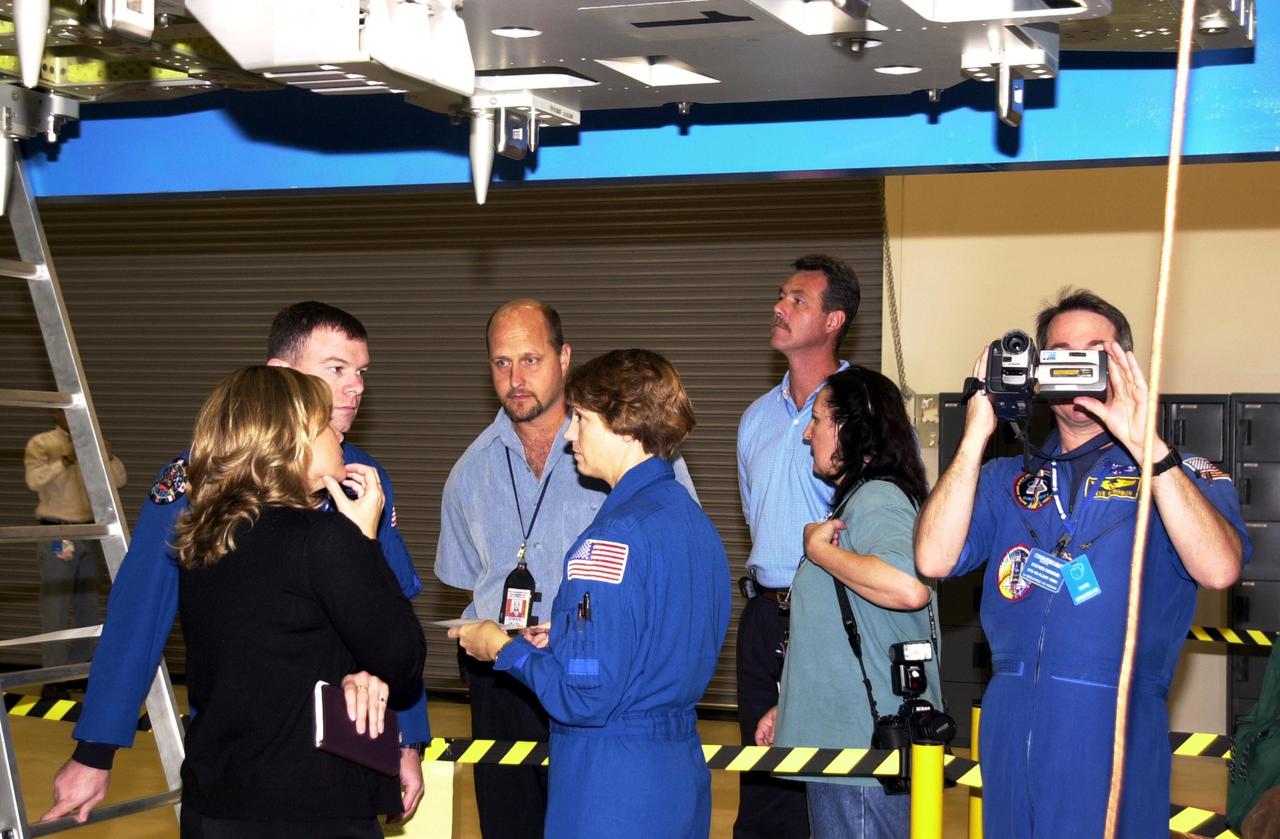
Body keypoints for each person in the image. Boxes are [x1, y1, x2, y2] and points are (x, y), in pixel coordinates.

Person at [43, 301, 431, 824]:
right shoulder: (197, 480)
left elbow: (386, 614)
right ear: (281, 378)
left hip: (340, 759)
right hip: (238, 755)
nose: (355, 387)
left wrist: (407, 740)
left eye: (361, 373)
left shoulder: (362, 475)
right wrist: (96, 749)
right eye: (336, 369)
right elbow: (140, 616)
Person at [914, 289, 1250, 837]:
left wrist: (1151, 451)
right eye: (1060, 351)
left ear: (1125, 365)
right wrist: (977, 433)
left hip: (1111, 723)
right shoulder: (1005, 477)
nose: (1076, 363)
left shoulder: (1176, 473)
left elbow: (1219, 569)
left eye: (1095, 350)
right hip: (1009, 719)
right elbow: (932, 556)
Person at [434, 300, 697, 839]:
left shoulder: (626, 459)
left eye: (530, 359)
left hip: (592, 675)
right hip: (501, 679)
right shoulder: (468, 472)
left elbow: (674, 559)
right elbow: (463, 578)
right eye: (501, 363)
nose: (516, 378)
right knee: (509, 825)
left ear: (565, 358)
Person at [173, 366, 425, 837]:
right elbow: (403, 660)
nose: (339, 435)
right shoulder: (324, 540)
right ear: (291, 442)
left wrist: (356, 671)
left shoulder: (206, 536)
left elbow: (283, 650)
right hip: (306, 807)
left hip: (215, 799)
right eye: (326, 425)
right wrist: (365, 541)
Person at [755, 366, 937, 838]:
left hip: (861, 749)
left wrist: (819, 551)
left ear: (850, 428)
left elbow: (907, 585)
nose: (807, 434)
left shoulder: (877, 499)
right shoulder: (859, 500)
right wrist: (794, 704)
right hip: (847, 738)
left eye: (817, 420)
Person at [734, 254, 861, 839]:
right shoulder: (756, 418)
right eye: (780, 296)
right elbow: (754, 519)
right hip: (763, 614)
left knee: (824, 790)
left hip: (830, 617)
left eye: (798, 301)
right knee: (763, 788)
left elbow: (884, 526)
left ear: (833, 320)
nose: (779, 308)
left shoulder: (866, 410)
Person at [24, 410, 127, 699]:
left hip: (89, 532)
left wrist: (108, 455)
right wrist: (66, 459)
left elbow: (119, 480)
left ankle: (79, 670)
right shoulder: (42, 443)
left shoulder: (92, 440)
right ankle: (52, 676)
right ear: (56, 411)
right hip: (58, 534)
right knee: (56, 607)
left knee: (88, 607)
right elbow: (34, 481)